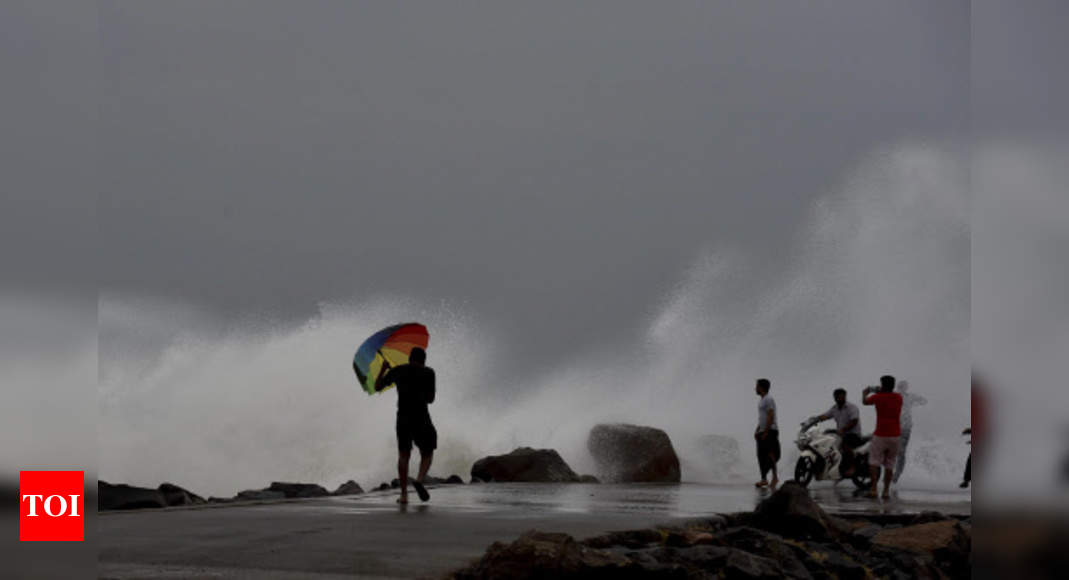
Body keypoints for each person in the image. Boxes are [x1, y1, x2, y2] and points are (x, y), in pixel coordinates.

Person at [375, 347, 436, 504]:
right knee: (427, 451)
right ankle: (420, 479)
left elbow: (377, 387)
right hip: (421, 416)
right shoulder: (429, 373)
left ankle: (403, 495)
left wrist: (383, 370)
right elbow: (431, 399)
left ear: (410, 358)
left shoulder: (398, 371)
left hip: (403, 417)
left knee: (403, 455)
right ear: (423, 360)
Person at [863, 375, 903, 499]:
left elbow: (865, 401)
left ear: (882, 384)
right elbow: (889, 394)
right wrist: (882, 390)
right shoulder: (898, 397)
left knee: (874, 462)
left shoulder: (877, 397)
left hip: (880, 434)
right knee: (890, 464)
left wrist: (865, 392)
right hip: (895, 435)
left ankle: (874, 489)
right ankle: (885, 491)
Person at [809, 388, 862, 477]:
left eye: (842, 396)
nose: (840, 398)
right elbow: (825, 416)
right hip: (840, 434)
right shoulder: (835, 408)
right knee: (825, 441)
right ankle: (830, 467)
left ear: (845, 396)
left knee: (845, 444)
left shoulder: (851, 407)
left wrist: (844, 429)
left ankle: (853, 467)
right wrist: (814, 420)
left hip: (853, 434)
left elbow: (854, 421)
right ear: (835, 398)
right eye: (838, 397)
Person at [893, 380, 927, 483]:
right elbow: (923, 401)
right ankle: (893, 475)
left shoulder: (908, 396)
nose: (901, 389)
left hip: (904, 427)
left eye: (903, 387)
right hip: (896, 426)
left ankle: (896, 476)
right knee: (897, 452)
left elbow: (924, 401)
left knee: (900, 452)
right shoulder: (896, 396)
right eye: (900, 387)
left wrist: (913, 404)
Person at [753, 378, 780, 490]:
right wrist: (757, 429)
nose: (755, 388)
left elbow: (770, 415)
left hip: (770, 430)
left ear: (762, 387)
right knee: (761, 456)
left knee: (771, 454)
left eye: (757, 386)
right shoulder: (762, 400)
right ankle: (764, 479)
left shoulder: (768, 399)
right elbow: (762, 418)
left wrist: (767, 431)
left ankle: (774, 478)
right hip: (763, 431)